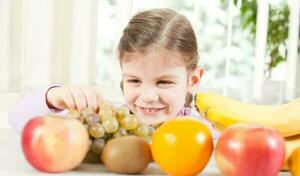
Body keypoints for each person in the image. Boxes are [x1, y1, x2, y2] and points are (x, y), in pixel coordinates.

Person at [8, 8, 218, 138]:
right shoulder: (110, 120)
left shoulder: (206, 133)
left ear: (193, 79)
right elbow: (17, 119)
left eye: (163, 82)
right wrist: (53, 97)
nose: (147, 97)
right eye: (134, 80)